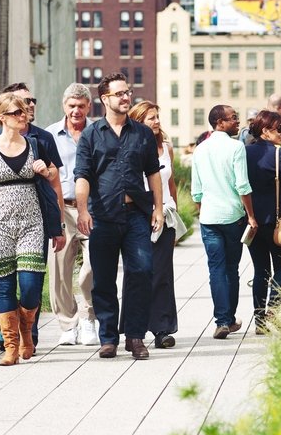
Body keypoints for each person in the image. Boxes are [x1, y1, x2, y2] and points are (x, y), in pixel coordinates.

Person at [74, 73, 164, 360]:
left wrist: (158, 208)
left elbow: (153, 172)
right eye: (119, 94)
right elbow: (83, 175)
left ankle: (135, 336)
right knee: (103, 279)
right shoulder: (91, 134)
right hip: (102, 216)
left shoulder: (142, 133)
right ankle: (109, 337)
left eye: (128, 92)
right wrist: (83, 209)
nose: (126, 97)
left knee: (141, 271)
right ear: (105, 99)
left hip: (136, 213)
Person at [0, 93, 63, 365]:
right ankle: (11, 346)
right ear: (2, 117)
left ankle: (26, 331)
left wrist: (45, 170)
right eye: (16, 112)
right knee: (5, 287)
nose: (24, 116)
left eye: (24, 111)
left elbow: (55, 174)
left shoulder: (35, 144)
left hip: (32, 224)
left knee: (31, 286)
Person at [191, 105, 258, 339]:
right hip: (233, 217)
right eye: (233, 118)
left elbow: (196, 191)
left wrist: (203, 212)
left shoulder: (199, 150)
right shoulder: (236, 147)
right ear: (219, 122)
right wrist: (251, 215)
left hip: (208, 218)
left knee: (215, 270)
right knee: (231, 268)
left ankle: (221, 320)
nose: (238, 122)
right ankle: (228, 319)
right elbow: (243, 186)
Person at [124, 101, 182, 349]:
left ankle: (162, 329)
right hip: (138, 216)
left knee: (161, 273)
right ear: (138, 122)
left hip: (165, 216)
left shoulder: (166, 148)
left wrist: (175, 214)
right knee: (137, 273)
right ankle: (132, 330)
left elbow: (170, 184)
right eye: (151, 118)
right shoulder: (129, 147)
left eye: (157, 117)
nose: (157, 122)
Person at [47, 83, 99, 347]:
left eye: (81, 106)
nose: (76, 110)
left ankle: (89, 317)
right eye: (71, 105)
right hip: (61, 208)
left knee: (93, 266)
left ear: (89, 106)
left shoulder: (100, 131)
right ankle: (68, 323)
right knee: (58, 269)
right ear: (64, 106)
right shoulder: (49, 136)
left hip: (92, 208)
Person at [244, 110, 281, 335]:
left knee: (260, 271)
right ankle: (273, 311)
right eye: (278, 129)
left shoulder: (243, 152)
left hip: (253, 220)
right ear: (265, 131)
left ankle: (259, 320)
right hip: (278, 222)